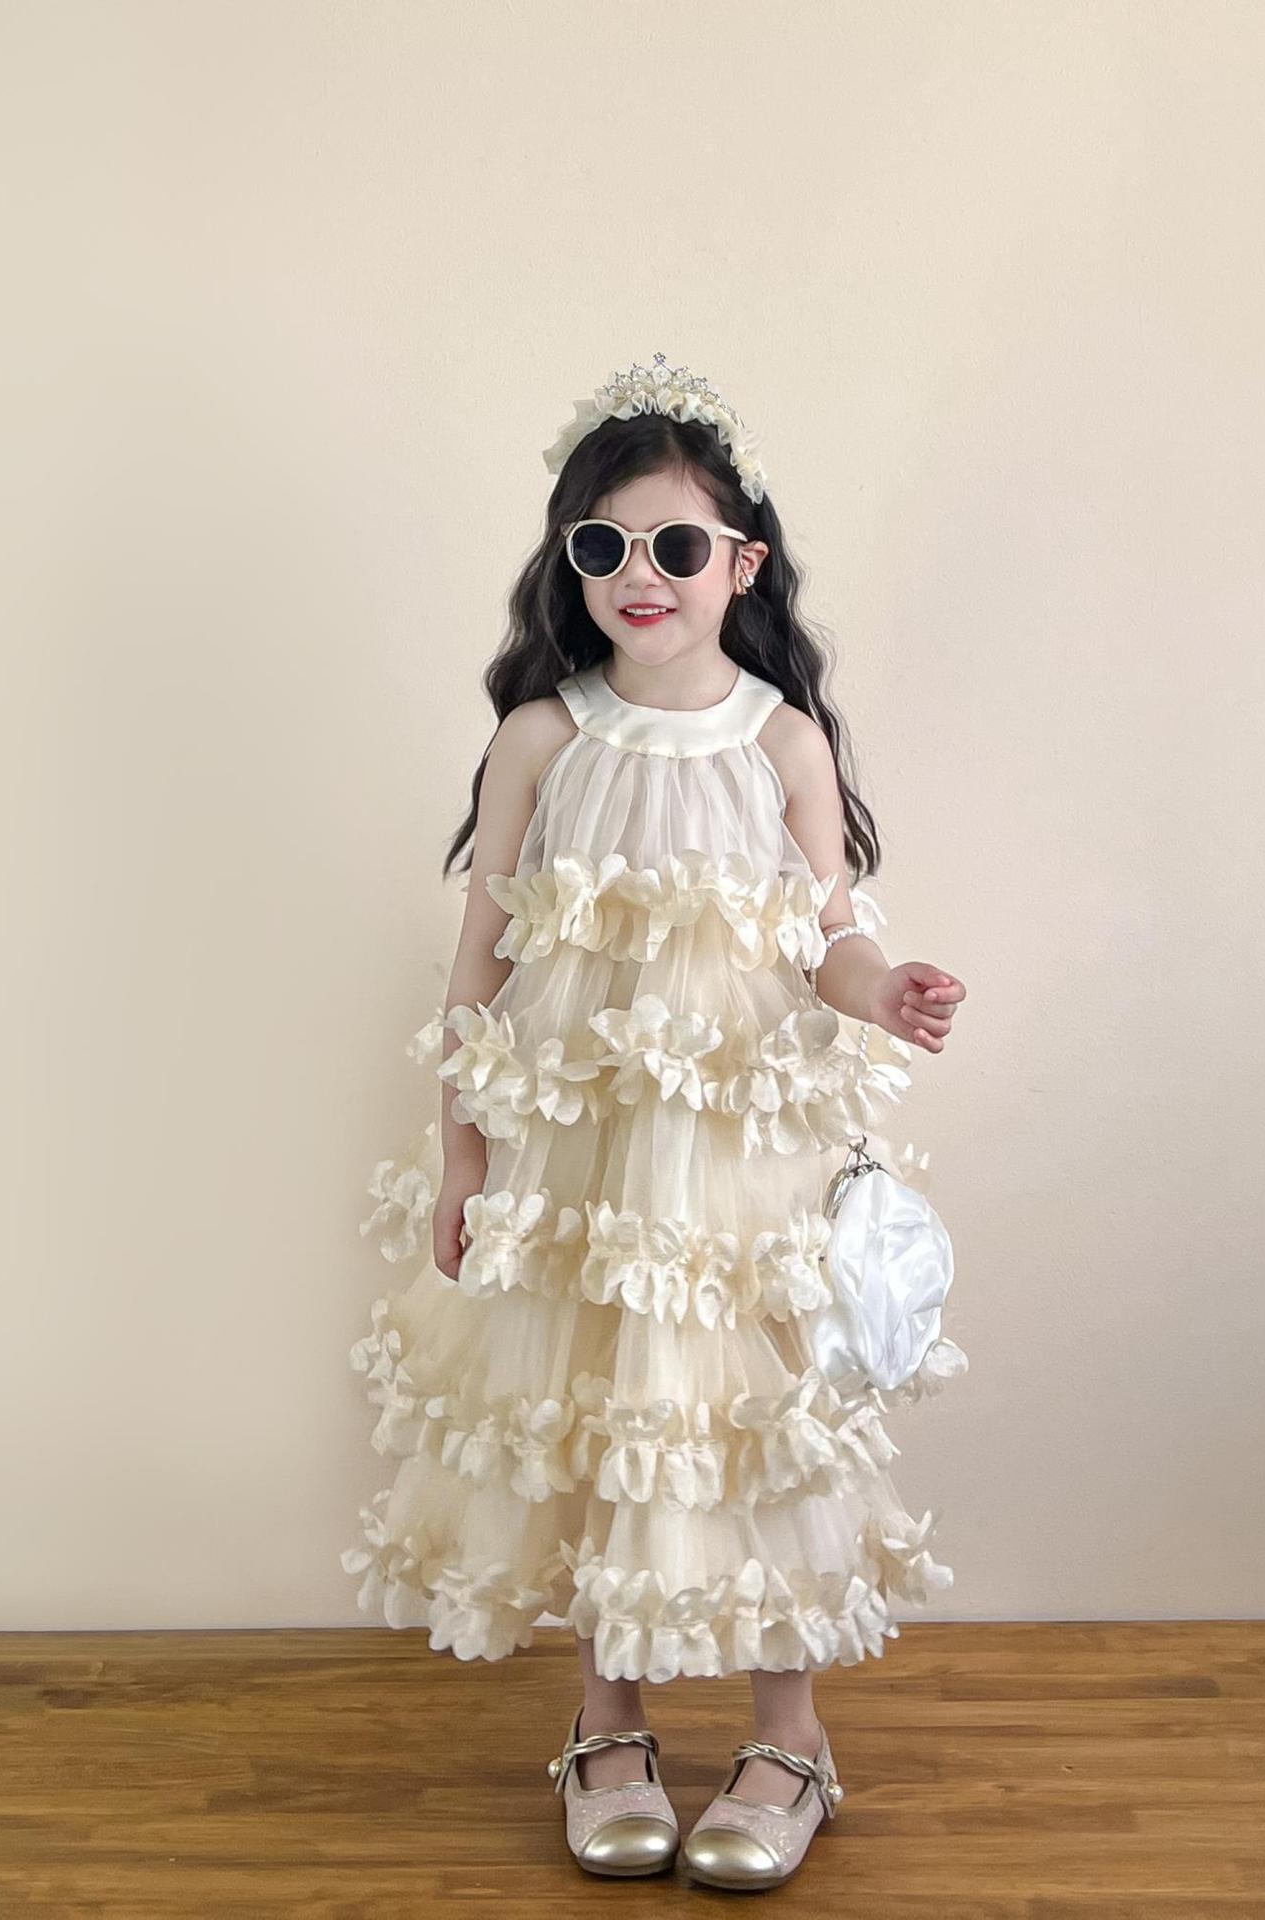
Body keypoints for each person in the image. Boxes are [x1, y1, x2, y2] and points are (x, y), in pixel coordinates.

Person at [342, 353, 968, 1889]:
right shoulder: (542, 739)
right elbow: (480, 963)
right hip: (586, 1158)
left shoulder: (779, 741)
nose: (641, 573)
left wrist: (881, 990)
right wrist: (464, 1153)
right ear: (568, 564)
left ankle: (788, 1737)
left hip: (742, 1161)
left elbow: (826, 933)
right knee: (597, 1413)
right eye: (602, 544)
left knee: (747, 1420)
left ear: (739, 564)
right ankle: (607, 1725)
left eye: (675, 544)